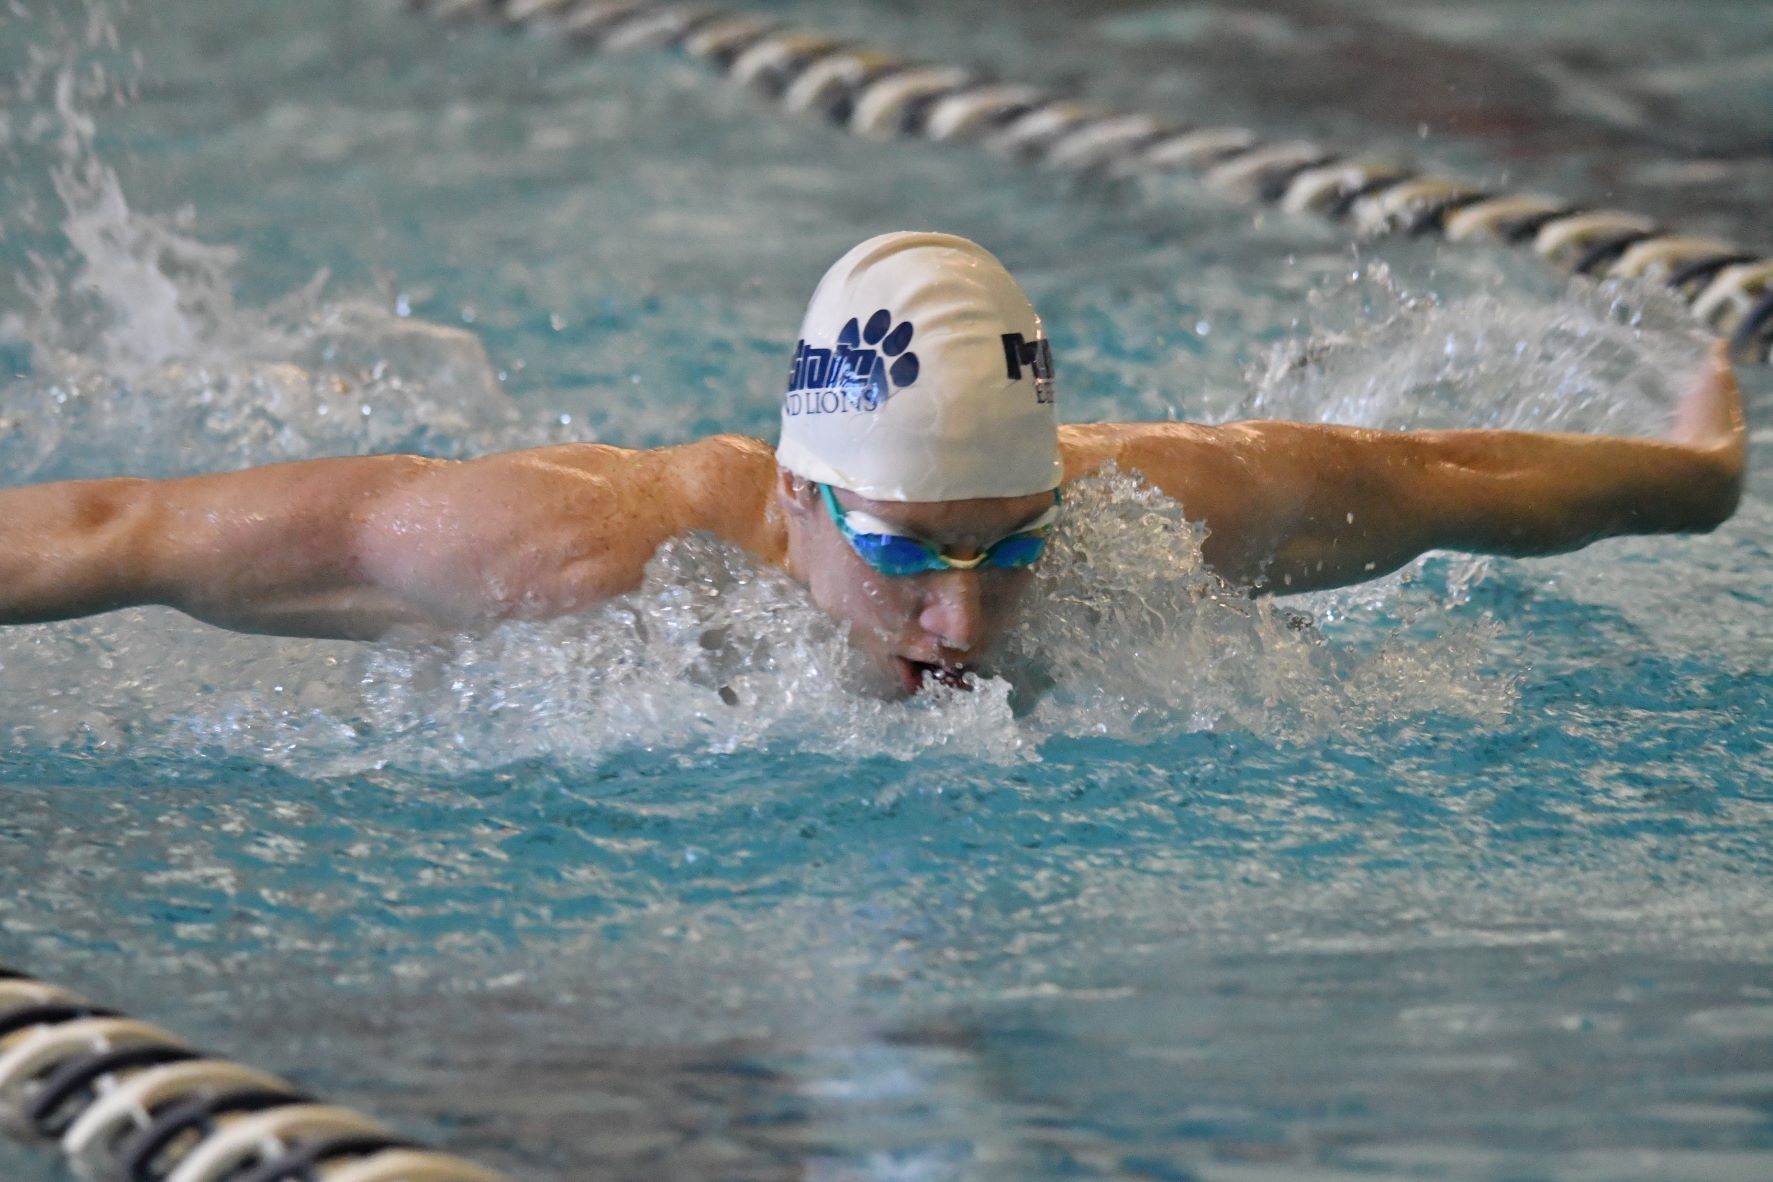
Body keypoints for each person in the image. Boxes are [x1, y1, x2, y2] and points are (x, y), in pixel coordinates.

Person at [0, 232, 1746, 695]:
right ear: (789, 497)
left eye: (1011, 544)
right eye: (909, 551)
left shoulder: (1155, 511)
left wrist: (1699, 481)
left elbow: (1445, 474)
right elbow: (122, 523)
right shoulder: (575, 553)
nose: (966, 627)